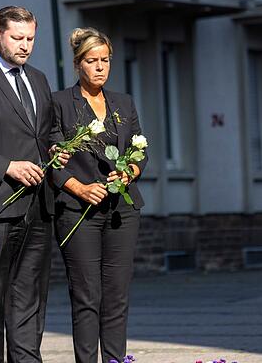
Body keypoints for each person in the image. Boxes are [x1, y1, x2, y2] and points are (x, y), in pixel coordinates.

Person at [0, 6, 66, 362]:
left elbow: (47, 131)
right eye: (17, 38)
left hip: (38, 208)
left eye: (31, 39)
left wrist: (56, 149)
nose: (25, 46)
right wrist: (6, 166)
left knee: (29, 302)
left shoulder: (38, 79)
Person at [51, 27, 147, 363]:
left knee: (116, 297)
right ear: (78, 64)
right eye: (92, 60)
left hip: (122, 210)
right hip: (78, 213)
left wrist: (129, 171)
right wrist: (79, 187)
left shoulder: (124, 102)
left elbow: (140, 150)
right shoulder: (60, 103)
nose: (100, 67)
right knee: (87, 296)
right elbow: (52, 160)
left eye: (105, 60)